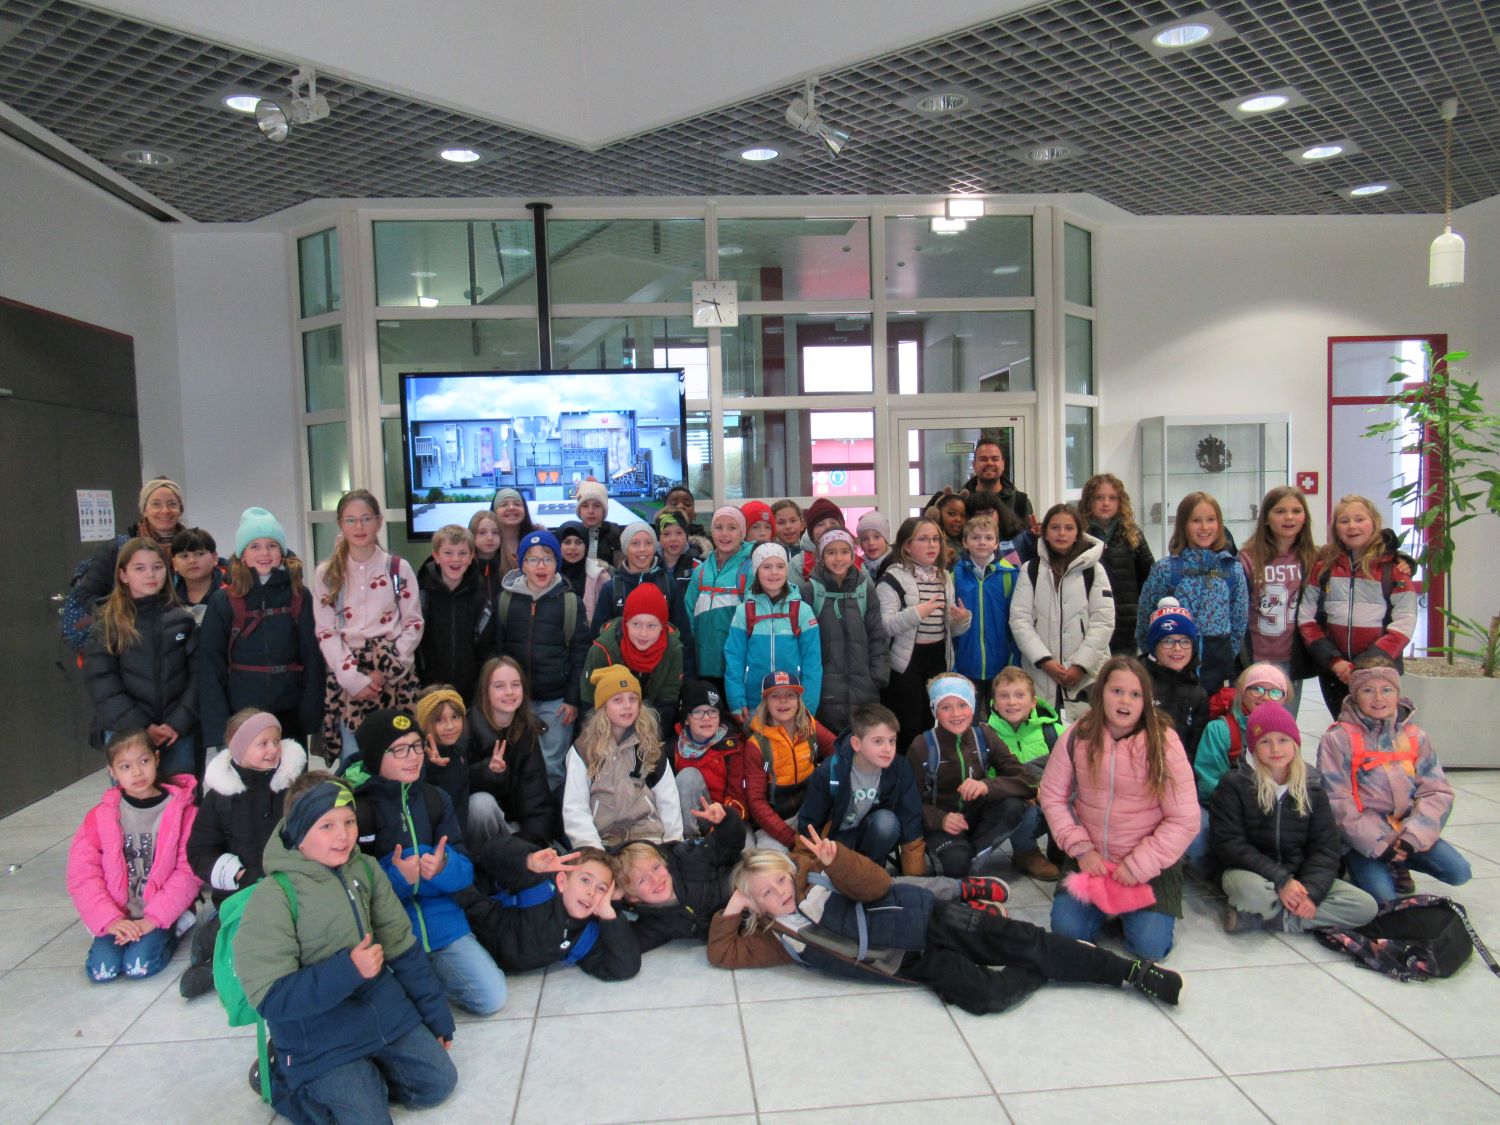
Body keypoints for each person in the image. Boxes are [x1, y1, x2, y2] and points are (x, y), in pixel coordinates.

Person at [708, 830, 1183, 1013]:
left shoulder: (819, 886)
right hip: (912, 963)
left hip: (932, 921)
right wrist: (736, 904)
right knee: (986, 997)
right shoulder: (780, 938)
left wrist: (837, 862)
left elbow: (874, 886)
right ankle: (1042, 965)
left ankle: (1129, 973)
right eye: (766, 895)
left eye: (779, 882)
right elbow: (723, 952)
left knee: (1028, 942)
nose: (780, 894)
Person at [233, 773, 458, 1123]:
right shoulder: (275, 895)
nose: (344, 835)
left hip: (379, 1008)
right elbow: (270, 998)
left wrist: (436, 1017)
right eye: (327, 826)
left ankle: (363, 1076)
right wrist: (348, 970)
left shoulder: (365, 870)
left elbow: (403, 948)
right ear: (298, 832)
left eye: (349, 821)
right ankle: (280, 1076)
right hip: (315, 1031)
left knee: (438, 1083)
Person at [341, 709, 507, 1015]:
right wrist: (397, 876)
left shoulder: (435, 799)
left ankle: (428, 978)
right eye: (400, 750)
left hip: (441, 920)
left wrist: (443, 868)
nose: (413, 757)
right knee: (391, 1013)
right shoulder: (357, 808)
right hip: (388, 933)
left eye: (417, 746)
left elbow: (464, 870)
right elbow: (349, 888)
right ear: (377, 756)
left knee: (491, 997)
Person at [1041, 657, 1198, 961]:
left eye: (1135, 694)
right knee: (1066, 932)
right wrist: (1082, 850)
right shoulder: (1077, 735)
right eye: (1117, 691)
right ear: (1100, 694)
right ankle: (1111, 909)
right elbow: (1051, 796)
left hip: (1149, 864)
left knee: (1149, 948)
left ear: (1146, 701)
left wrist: (1138, 865)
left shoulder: (1164, 742)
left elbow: (1185, 818)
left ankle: (1127, 912)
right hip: (1092, 858)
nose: (1125, 701)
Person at [1211, 702, 1378, 933]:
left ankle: (1270, 919)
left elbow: (1325, 848)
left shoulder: (1313, 788)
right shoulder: (1234, 784)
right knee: (1254, 893)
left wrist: (1311, 893)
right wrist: (1281, 881)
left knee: (1365, 906)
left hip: (1299, 874)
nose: (1275, 749)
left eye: (1283, 740)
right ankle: (1278, 912)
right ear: (1253, 748)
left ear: (1295, 744)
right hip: (1253, 874)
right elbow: (1230, 844)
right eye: (1265, 741)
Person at [1317, 660, 1471, 906]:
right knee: (1384, 900)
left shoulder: (1415, 737)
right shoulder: (1338, 738)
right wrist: (1380, 843)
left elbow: (1437, 791)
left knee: (1459, 872)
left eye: (1387, 690)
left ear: (1398, 694)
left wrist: (1414, 837)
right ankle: (1353, 864)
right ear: (1355, 696)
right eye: (1368, 690)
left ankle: (1401, 861)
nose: (1379, 697)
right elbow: (1335, 800)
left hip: (1406, 831)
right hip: (1362, 839)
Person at [181, 708, 309, 998]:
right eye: (262, 743)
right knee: (251, 926)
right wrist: (237, 873)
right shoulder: (220, 797)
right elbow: (200, 850)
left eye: (276, 741)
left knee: (296, 930)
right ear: (239, 749)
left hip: (291, 885)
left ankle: (232, 951)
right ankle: (219, 956)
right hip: (241, 888)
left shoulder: (296, 788)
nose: (273, 750)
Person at [67, 730, 201, 983]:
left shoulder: (184, 812)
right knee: (102, 971)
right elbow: (83, 875)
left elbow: (188, 871)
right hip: (117, 913)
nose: (137, 772)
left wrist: (154, 919)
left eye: (144, 761)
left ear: (157, 759)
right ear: (112, 772)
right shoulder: (100, 816)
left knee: (138, 966)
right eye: (126, 766)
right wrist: (110, 919)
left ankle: (176, 924)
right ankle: (118, 932)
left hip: (159, 911)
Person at [312, 489, 424, 763]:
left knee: (398, 758)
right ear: (340, 524)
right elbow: (326, 630)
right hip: (348, 676)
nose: (359, 526)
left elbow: (413, 622)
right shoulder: (327, 573)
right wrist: (352, 678)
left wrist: (386, 671)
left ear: (379, 521)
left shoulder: (398, 568)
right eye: (350, 520)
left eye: (365, 518)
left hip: (392, 676)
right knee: (356, 765)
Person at [198, 506, 323, 750]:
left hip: (290, 711)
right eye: (254, 546)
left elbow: (312, 657)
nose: (264, 553)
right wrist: (218, 725)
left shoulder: (299, 596)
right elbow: (210, 666)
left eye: (272, 545)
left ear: (282, 551)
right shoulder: (223, 601)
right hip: (242, 712)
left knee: (290, 782)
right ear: (242, 555)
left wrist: (311, 713)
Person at [82, 536, 199, 777]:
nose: (151, 575)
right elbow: (102, 684)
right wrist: (141, 727)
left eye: (157, 567)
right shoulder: (108, 624)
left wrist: (178, 721)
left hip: (176, 733)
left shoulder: (184, 620)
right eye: (140, 568)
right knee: (134, 805)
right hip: (126, 734)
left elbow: (199, 676)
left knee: (182, 806)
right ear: (123, 575)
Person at [913, 673, 1050, 879]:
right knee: (955, 865)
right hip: (944, 826)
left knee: (1014, 804)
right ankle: (960, 861)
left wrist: (988, 786)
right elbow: (908, 801)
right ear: (935, 710)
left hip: (977, 820)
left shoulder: (984, 736)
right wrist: (941, 819)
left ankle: (968, 858)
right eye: (945, 707)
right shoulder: (922, 746)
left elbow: (1027, 782)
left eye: (962, 705)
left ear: (973, 706)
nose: (956, 713)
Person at [1297, 494, 1418, 718]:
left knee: (1377, 734)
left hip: (1379, 670)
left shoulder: (1395, 570)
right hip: (1335, 672)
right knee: (1343, 729)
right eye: (1344, 521)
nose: (1352, 526)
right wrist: (1334, 661)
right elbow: (1306, 617)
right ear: (1335, 527)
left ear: (1374, 522)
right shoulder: (1323, 568)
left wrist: (1365, 665)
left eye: (1359, 519)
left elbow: (1405, 621)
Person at [462, 840, 640, 980]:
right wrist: (528, 860)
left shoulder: (583, 934)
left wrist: (610, 916)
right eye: (585, 880)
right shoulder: (540, 887)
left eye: (601, 889)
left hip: (491, 962)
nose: (591, 892)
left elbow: (625, 967)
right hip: (468, 930)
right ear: (562, 881)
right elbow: (491, 852)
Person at [495, 528, 589, 790]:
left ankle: (549, 825)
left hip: (556, 702)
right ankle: (522, 822)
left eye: (547, 558)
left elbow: (580, 655)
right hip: (515, 701)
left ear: (557, 563)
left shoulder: (570, 602)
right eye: (533, 559)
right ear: (521, 563)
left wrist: (572, 699)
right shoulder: (506, 600)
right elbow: (497, 653)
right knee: (514, 762)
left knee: (551, 766)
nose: (540, 565)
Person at [1135, 491, 1248, 694]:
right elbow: (1145, 620)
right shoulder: (1166, 570)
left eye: (1211, 520)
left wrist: (1226, 654)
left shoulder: (1232, 570)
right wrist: (1156, 655)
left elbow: (1239, 621)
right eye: (1196, 520)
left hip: (1217, 667)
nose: (1204, 527)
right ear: (1183, 525)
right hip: (1171, 669)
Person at [1009, 504, 1114, 720]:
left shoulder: (1094, 570)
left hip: (1086, 676)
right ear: (1044, 532)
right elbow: (1020, 620)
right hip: (1040, 673)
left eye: (1069, 528)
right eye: (1055, 527)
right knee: (1043, 739)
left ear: (1078, 533)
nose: (1062, 533)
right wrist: (1044, 660)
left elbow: (1103, 622)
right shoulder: (1030, 570)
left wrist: (1081, 665)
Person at [562, 667, 684, 849]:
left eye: (633, 699)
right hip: (604, 841)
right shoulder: (584, 749)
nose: (627, 705)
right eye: (617, 700)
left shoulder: (649, 746)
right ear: (603, 706)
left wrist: (672, 845)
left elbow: (668, 799)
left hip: (648, 838)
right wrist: (592, 849)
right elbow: (575, 807)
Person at [63, 477, 188, 654]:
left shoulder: (193, 548)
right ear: (144, 510)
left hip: (175, 644)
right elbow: (86, 594)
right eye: (156, 504)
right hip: (128, 644)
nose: (165, 510)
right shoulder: (119, 549)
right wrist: (125, 612)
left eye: (172, 504)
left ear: (180, 509)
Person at [877, 516, 972, 747]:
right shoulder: (892, 578)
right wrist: (918, 613)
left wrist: (961, 619)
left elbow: (950, 627)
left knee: (932, 724)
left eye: (935, 539)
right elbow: (885, 625)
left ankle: (931, 773)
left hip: (938, 657)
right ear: (907, 546)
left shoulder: (944, 576)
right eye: (923, 539)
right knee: (908, 726)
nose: (931, 545)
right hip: (905, 662)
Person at [798, 702, 926, 873]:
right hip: (837, 841)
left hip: (871, 836)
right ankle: (846, 873)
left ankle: (871, 872)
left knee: (887, 822)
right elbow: (810, 824)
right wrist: (805, 872)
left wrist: (915, 880)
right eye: (878, 741)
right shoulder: (830, 772)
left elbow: (911, 823)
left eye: (892, 741)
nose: (888, 749)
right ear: (856, 744)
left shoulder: (900, 769)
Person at [612, 800, 746, 951]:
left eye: (656, 868)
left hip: (748, 874)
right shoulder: (655, 923)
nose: (656, 879)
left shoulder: (689, 858)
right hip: (746, 921)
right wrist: (612, 902)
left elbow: (729, 844)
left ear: (664, 863)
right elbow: (625, 945)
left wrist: (725, 821)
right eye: (642, 880)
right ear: (633, 897)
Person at [1240, 486, 1318, 715]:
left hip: (1292, 659)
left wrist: (1403, 559)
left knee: (1284, 726)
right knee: (1251, 727)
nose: (1289, 517)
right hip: (1256, 658)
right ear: (1266, 518)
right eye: (1280, 511)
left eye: (1296, 511)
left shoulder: (1314, 558)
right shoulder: (1247, 558)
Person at [724, 542, 823, 721]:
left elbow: (813, 663)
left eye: (780, 566)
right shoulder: (744, 611)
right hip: (755, 703)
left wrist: (807, 706)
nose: (774, 572)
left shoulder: (802, 610)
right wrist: (737, 701)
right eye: (767, 567)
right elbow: (734, 659)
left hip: (793, 706)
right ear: (756, 571)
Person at [466, 656, 556, 849]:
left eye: (515, 685)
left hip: (512, 827)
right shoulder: (466, 728)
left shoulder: (526, 731)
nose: (509, 692)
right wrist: (487, 772)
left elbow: (536, 798)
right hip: (472, 832)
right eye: (499, 686)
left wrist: (534, 844)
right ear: (485, 691)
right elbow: (457, 785)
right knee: (481, 805)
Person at [743, 671, 838, 850]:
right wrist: (790, 839)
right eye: (775, 696)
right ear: (765, 702)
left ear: (798, 700)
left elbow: (841, 752)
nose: (783, 701)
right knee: (774, 864)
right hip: (777, 822)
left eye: (790, 695)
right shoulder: (756, 745)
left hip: (812, 811)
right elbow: (756, 802)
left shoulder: (811, 727)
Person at [807, 528, 889, 733]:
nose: (838, 558)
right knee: (830, 747)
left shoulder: (864, 589)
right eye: (831, 552)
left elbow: (877, 635)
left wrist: (877, 676)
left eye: (844, 552)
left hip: (864, 686)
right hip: (825, 687)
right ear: (821, 556)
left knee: (862, 743)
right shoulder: (809, 591)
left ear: (852, 555)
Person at [592, 521, 697, 678]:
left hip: (662, 676)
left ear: (654, 547)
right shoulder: (612, 588)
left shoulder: (668, 584)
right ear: (625, 548)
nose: (642, 549)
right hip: (621, 677)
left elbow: (684, 636)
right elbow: (597, 638)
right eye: (635, 543)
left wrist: (687, 678)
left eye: (648, 543)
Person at [581, 582, 685, 734]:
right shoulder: (602, 650)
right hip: (607, 729)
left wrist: (649, 740)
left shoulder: (673, 650)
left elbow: (667, 701)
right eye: (636, 624)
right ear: (626, 622)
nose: (643, 633)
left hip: (650, 728)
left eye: (651, 626)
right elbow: (589, 701)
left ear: (662, 626)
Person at [415, 524, 495, 706]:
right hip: (427, 690)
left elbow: (487, 650)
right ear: (436, 556)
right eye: (448, 553)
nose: (455, 559)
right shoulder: (421, 597)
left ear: (471, 557)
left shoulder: (480, 600)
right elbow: (413, 645)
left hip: (470, 694)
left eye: (462, 553)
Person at [1080, 473, 1155, 656]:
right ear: (1089, 501)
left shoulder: (1132, 535)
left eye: (1112, 498)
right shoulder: (1080, 537)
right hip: (1090, 621)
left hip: (1127, 623)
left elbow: (1150, 578)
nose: (1106, 503)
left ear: (1120, 501)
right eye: (1099, 498)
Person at [685, 505, 755, 694]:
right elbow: (688, 618)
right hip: (703, 667)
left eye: (732, 528)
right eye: (718, 527)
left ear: (743, 532)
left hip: (736, 668)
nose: (725, 534)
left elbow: (754, 621)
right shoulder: (700, 572)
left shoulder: (751, 570)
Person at [952, 515, 1020, 702]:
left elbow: (1018, 622)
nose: (982, 542)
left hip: (1002, 664)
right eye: (975, 537)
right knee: (968, 725)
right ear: (965, 542)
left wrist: (1014, 660)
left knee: (999, 724)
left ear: (997, 543)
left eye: (988, 538)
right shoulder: (955, 576)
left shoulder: (1010, 575)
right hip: (965, 665)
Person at [671, 679, 747, 833]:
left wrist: (723, 817)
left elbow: (740, 796)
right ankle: (690, 845)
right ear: (686, 718)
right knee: (688, 777)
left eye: (712, 711)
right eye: (698, 712)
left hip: (724, 820)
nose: (706, 718)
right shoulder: (672, 749)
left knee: (749, 852)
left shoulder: (733, 746)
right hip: (690, 822)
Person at [1141, 598, 1210, 762]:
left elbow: (1194, 750)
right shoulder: (1137, 681)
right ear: (1154, 647)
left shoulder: (1198, 694)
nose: (1177, 648)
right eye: (1168, 641)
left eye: (1185, 641)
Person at [985, 666, 1066, 788]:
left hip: (1052, 802)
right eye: (1004, 696)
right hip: (1008, 803)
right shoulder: (984, 739)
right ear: (995, 704)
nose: (1012, 702)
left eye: (1020, 695)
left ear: (1033, 702)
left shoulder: (1057, 733)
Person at [413, 685, 473, 833]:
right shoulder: (416, 757)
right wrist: (433, 766)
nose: (450, 726)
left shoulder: (458, 749)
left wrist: (488, 770)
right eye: (439, 720)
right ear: (424, 723)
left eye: (455, 717)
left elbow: (462, 787)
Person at [961, 438, 1033, 525]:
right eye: (983, 459)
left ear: (1002, 465)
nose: (989, 463)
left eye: (995, 459)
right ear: (974, 465)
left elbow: (1028, 537)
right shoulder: (960, 501)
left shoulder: (1020, 502)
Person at [556, 519, 612, 628]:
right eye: (567, 542)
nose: (572, 547)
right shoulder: (548, 575)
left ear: (586, 545)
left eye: (578, 542)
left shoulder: (600, 577)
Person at [170, 526, 225, 620]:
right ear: (174, 563)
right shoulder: (168, 595)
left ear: (215, 558)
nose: (192, 561)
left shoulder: (233, 589)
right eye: (184, 556)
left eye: (200, 554)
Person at [653, 509, 703, 609]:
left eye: (679, 533)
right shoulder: (650, 567)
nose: (673, 539)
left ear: (686, 535)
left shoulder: (699, 567)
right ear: (659, 538)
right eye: (666, 534)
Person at [489, 486, 536, 580]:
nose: (511, 508)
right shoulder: (487, 543)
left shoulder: (538, 539)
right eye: (504, 504)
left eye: (517, 504)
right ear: (494, 511)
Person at [574, 479, 622, 564]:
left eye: (597, 506)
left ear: (604, 509)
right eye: (585, 506)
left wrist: (609, 570)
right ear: (579, 510)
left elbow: (622, 570)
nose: (591, 511)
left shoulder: (616, 535)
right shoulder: (571, 535)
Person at [467, 509, 508, 604]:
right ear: (472, 535)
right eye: (482, 533)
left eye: (495, 532)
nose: (490, 538)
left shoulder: (509, 567)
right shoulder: (465, 569)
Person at [856, 511, 892, 580]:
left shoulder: (896, 565)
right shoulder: (857, 567)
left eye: (877, 537)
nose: (871, 542)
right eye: (865, 539)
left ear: (886, 539)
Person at [771, 499, 805, 564]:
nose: (788, 526)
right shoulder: (768, 552)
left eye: (793, 521)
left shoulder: (809, 552)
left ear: (802, 525)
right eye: (781, 522)